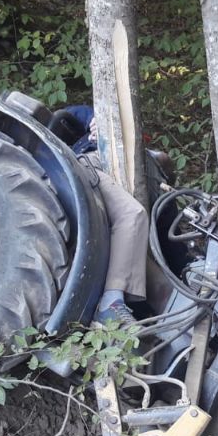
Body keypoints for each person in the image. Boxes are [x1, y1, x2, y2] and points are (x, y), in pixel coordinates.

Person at [62, 105, 148, 326]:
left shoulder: (60, 120)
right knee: (132, 214)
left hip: (103, 162)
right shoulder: (85, 142)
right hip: (87, 164)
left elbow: (74, 114)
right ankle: (110, 304)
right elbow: (65, 118)